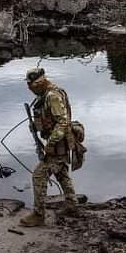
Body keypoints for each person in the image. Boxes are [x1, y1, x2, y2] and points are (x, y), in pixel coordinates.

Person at [20, 67, 79, 227]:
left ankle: (39, 214)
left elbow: (63, 122)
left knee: (39, 175)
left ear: (39, 83)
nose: (29, 88)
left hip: (58, 145)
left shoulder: (52, 96)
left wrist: (51, 144)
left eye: (31, 85)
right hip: (60, 143)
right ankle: (72, 205)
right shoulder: (46, 95)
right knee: (61, 173)